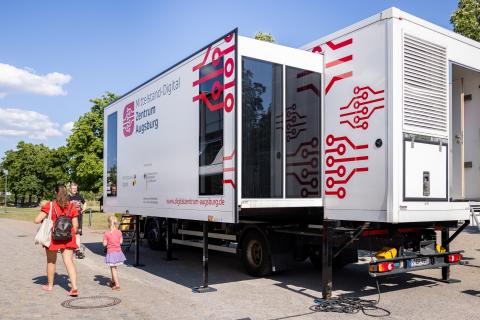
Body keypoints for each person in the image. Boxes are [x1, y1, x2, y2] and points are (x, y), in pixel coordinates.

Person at [34, 183, 79, 296]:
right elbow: (76, 225)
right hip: (68, 237)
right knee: (69, 261)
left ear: (55, 193)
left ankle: (50, 285)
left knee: (51, 261)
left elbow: (37, 220)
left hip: (53, 237)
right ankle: (74, 287)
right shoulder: (71, 206)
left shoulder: (50, 205)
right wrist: (67, 232)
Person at [103, 215, 126, 290]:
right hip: (118, 252)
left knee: (113, 269)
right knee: (113, 267)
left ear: (108, 223)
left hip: (111, 253)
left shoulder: (106, 233)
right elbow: (121, 242)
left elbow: (104, 244)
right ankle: (113, 281)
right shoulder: (119, 232)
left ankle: (117, 285)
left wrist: (105, 240)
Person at [68, 182, 86, 259]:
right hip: (70, 218)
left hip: (78, 217)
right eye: (73, 188)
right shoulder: (67, 197)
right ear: (70, 189)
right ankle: (69, 247)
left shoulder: (79, 196)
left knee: (78, 233)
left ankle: (77, 250)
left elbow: (85, 203)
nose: (75, 190)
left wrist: (83, 209)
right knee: (70, 233)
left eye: (76, 188)